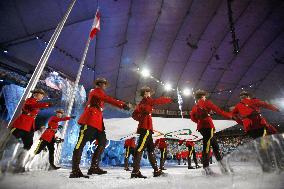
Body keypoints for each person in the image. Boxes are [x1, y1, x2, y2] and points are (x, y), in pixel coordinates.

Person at [69, 78, 130, 178]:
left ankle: (94, 167)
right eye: (104, 84)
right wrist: (121, 104)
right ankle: (75, 170)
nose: (105, 86)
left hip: (98, 123)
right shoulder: (95, 91)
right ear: (100, 84)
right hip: (89, 120)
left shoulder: (99, 93)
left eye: (105, 84)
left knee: (102, 142)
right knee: (80, 144)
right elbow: (107, 99)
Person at [131, 86, 174, 178]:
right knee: (140, 148)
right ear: (145, 93)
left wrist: (141, 118)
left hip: (148, 128)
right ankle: (135, 171)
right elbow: (158, 101)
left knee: (151, 149)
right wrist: (169, 99)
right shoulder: (147, 101)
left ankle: (156, 170)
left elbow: (134, 114)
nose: (150, 93)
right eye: (148, 92)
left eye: (149, 92)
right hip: (145, 128)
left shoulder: (143, 102)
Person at [231, 91, 280, 172]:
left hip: (250, 128)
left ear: (241, 98)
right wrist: (276, 109)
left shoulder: (238, 105)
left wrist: (242, 122)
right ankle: (272, 163)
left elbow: (233, 115)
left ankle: (265, 166)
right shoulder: (253, 101)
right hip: (259, 125)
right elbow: (265, 105)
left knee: (260, 146)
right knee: (266, 144)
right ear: (248, 96)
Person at [190, 89, 232, 175]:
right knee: (207, 147)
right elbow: (218, 110)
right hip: (208, 127)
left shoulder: (195, 107)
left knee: (215, 147)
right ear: (203, 96)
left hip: (201, 128)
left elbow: (192, 118)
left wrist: (199, 121)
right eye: (204, 96)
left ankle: (223, 169)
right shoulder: (207, 103)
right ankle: (207, 169)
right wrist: (229, 116)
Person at [10, 89, 52, 172]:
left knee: (28, 145)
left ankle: (19, 163)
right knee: (11, 141)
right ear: (35, 94)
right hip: (22, 124)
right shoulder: (30, 100)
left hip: (29, 126)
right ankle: (8, 160)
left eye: (43, 95)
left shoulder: (36, 102)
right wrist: (46, 105)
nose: (42, 96)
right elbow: (33, 106)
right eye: (41, 94)